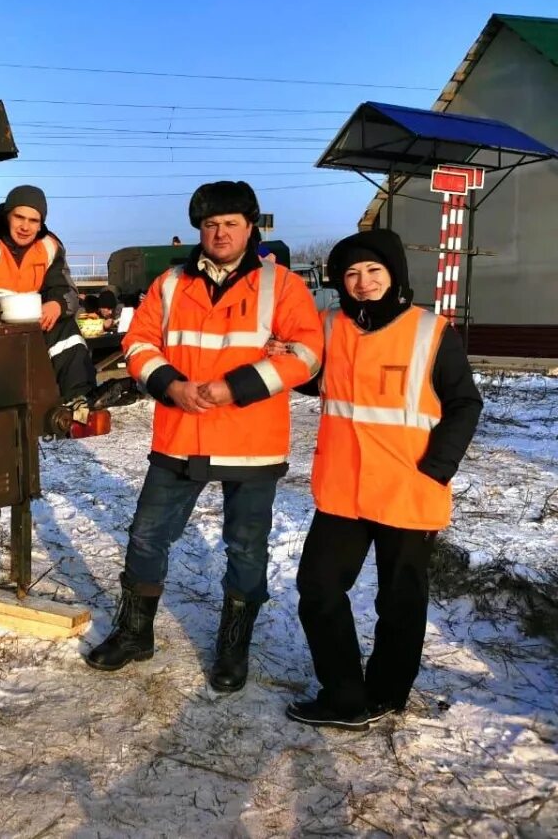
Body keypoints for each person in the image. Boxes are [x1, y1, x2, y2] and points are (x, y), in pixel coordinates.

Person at [84, 180, 323, 694]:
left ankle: (233, 648)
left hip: (252, 437)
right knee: (147, 535)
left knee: (246, 546)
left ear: (250, 227)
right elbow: (138, 342)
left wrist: (232, 387)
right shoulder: (170, 283)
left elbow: (306, 354)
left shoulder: (281, 285)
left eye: (231, 224)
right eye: (211, 224)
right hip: (181, 432)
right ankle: (134, 633)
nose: (220, 233)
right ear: (199, 229)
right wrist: (170, 384)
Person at [281, 229, 482, 731]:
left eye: (373, 271)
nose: (363, 282)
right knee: (319, 588)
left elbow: (464, 404)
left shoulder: (431, 332)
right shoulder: (329, 325)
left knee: (400, 600)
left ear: (394, 274)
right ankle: (345, 696)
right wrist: (282, 355)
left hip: (408, 487)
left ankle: (388, 694)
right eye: (351, 274)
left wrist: (438, 467)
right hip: (343, 489)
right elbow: (318, 379)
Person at [0, 185, 101, 415]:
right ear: (8, 214)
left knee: (67, 330)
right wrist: (7, 311)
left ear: (41, 222)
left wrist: (56, 304)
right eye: (19, 217)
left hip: (22, 322)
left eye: (33, 220)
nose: (25, 227)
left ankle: (79, 400)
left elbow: (67, 290)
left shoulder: (50, 246)